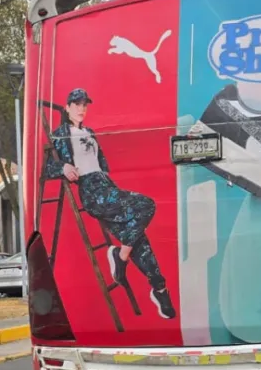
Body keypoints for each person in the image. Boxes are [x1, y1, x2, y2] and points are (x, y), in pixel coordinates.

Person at [44, 88, 176, 319]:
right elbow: (47, 167)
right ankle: (120, 257)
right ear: (67, 107)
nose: (81, 108)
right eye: (76, 104)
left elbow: (100, 164)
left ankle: (160, 289)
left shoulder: (90, 132)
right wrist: (62, 167)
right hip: (92, 191)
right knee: (147, 205)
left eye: (85, 104)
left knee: (139, 241)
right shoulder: (60, 134)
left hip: (106, 186)